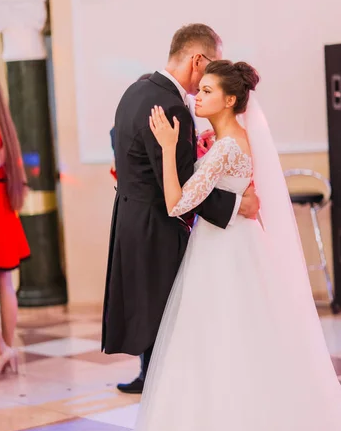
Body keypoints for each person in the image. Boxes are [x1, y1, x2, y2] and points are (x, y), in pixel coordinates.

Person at [128, 60, 341, 431]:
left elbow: (177, 203)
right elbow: (233, 195)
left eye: (207, 90)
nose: (197, 97)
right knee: (240, 346)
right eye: (198, 89)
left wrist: (166, 148)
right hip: (236, 245)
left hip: (222, 253)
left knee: (219, 347)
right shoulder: (233, 140)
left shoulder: (224, 148)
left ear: (231, 99)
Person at [101, 25, 260, 394]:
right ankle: (165, 385)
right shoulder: (171, 105)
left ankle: (155, 380)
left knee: (153, 302)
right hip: (158, 220)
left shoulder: (136, 90)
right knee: (164, 305)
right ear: (197, 60)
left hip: (130, 214)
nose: (208, 82)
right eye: (210, 70)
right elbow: (181, 187)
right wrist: (239, 204)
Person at [0, 72, 30, 379]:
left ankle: (1, 350)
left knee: (1, 283)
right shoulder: (3, 126)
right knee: (4, 282)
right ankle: (5, 349)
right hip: (1, 206)